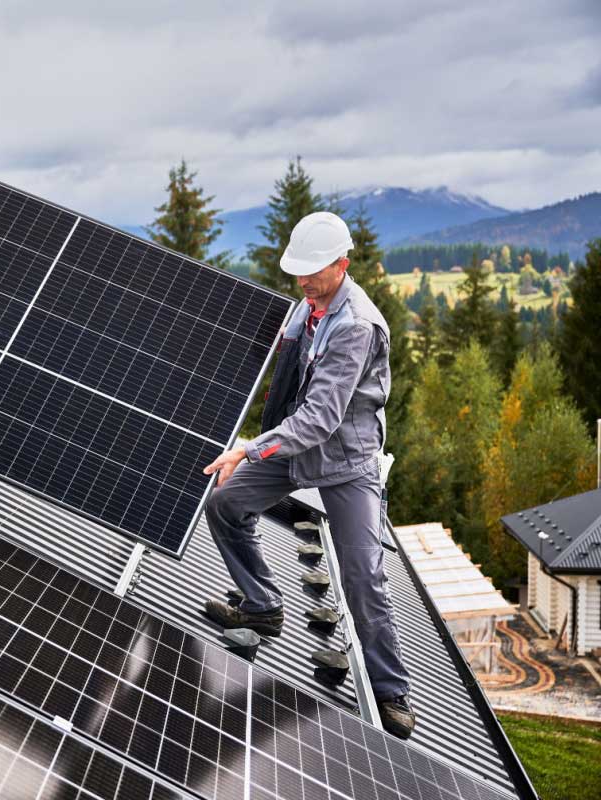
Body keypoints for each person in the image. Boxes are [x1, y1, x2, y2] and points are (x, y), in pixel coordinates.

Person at [200, 211, 416, 739]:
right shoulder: (307, 308)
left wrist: (251, 448)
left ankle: (390, 691)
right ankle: (262, 606)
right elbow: (281, 371)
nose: (302, 282)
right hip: (296, 449)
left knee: (363, 574)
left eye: (312, 272)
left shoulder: (356, 327)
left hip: (346, 462)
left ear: (342, 265)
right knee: (224, 503)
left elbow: (321, 418)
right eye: (297, 272)